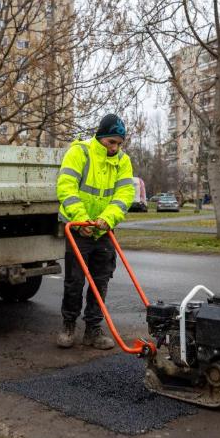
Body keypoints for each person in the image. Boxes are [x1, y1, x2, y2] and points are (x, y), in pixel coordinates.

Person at [55, 113, 135, 350]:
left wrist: (105, 219)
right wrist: (83, 221)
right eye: (112, 142)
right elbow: (66, 188)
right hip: (79, 229)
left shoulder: (123, 161)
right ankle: (68, 326)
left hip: (103, 230)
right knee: (74, 281)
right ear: (101, 137)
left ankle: (93, 329)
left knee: (100, 281)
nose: (115, 148)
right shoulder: (80, 152)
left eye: (119, 143)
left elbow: (124, 196)